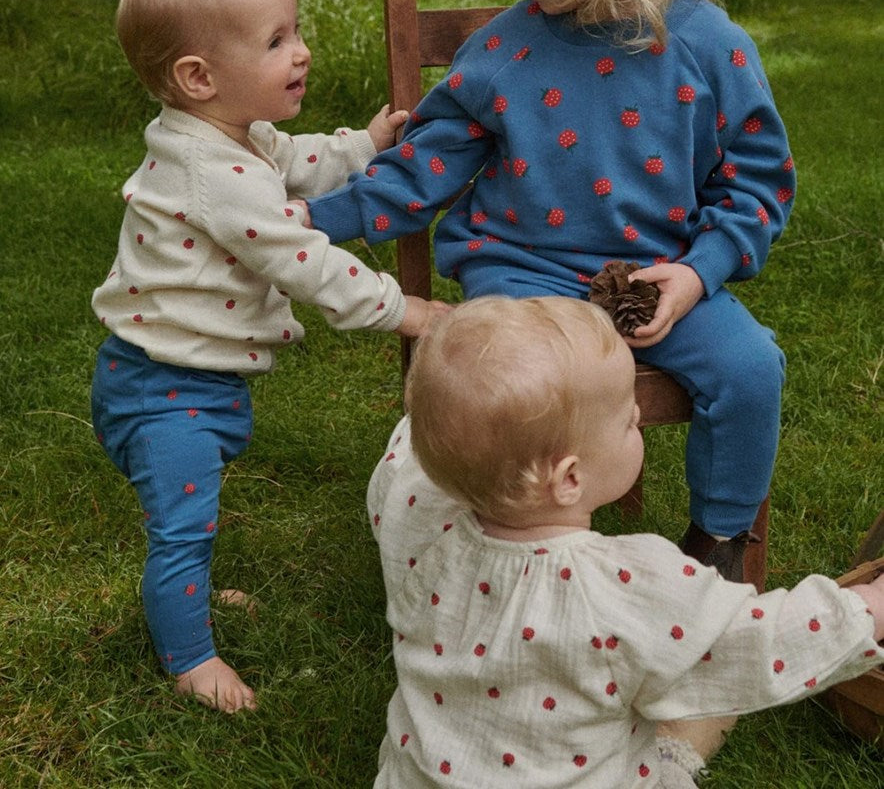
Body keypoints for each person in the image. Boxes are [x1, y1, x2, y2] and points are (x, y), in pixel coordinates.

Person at [302, 0, 797, 583]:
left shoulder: (711, 48)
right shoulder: (503, 52)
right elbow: (419, 172)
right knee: (518, 389)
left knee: (750, 370)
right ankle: (505, 553)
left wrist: (696, 274)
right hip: (522, 277)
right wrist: (302, 221)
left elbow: (757, 184)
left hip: (655, 281)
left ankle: (716, 552)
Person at [90, 0, 447, 713]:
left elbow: (296, 159)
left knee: (193, 509)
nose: (302, 51)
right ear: (198, 76)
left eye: (296, 31)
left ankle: (192, 595)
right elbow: (303, 259)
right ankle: (190, 658)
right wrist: (406, 309)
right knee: (181, 525)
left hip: (183, 376)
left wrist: (363, 145)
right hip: (162, 390)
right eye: (276, 40)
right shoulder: (211, 175)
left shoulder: (231, 136)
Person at [368, 296, 884, 788]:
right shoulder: (624, 586)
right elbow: (757, 644)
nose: (638, 420)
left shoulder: (419, 518)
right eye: (628, 420)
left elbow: (409, 454)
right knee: (711, 704)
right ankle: (675, 763)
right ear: (569, 478)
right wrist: (866, 608)